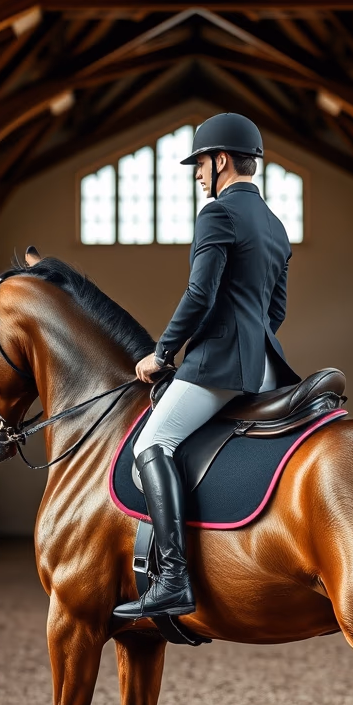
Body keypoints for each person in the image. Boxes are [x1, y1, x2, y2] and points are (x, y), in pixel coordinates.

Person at [113, 113, 301, 620]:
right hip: (264, 366)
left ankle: (172, 578)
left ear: (220, 160)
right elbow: (274, 312)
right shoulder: (276, 225)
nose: (197, 174)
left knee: (153, 443)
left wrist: (162, 353)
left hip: (220, 366)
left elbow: (200, 294)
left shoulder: (217, 214)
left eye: (200, 163)